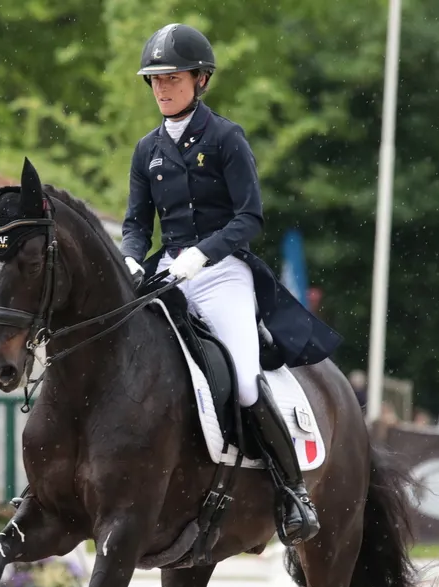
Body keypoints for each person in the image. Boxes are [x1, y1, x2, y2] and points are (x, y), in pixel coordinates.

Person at [121, 23, 324, 544]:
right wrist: (130, 259)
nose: (162, 88)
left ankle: (291, 491)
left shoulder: (226, 137)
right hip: (169, 273)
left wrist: (202, 254)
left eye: (172, 77)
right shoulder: (146, 150)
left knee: (244, 379)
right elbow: (137, 222)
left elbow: (249, 218)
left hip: (222, 273)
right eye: (155, 79)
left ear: (200, 79)